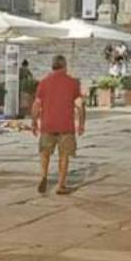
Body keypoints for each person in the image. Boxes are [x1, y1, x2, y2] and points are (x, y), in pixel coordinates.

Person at [32, 55, 84, 194]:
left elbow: (36, 105)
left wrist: (33, 122)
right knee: (64, 155)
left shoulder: (43, 82)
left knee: (45, 153)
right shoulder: (73, 83)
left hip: (47, 124)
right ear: (65, 66)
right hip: (65, 125)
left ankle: (43, 175)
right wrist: (82, 123)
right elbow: (79, 106)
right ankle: (61, 185)